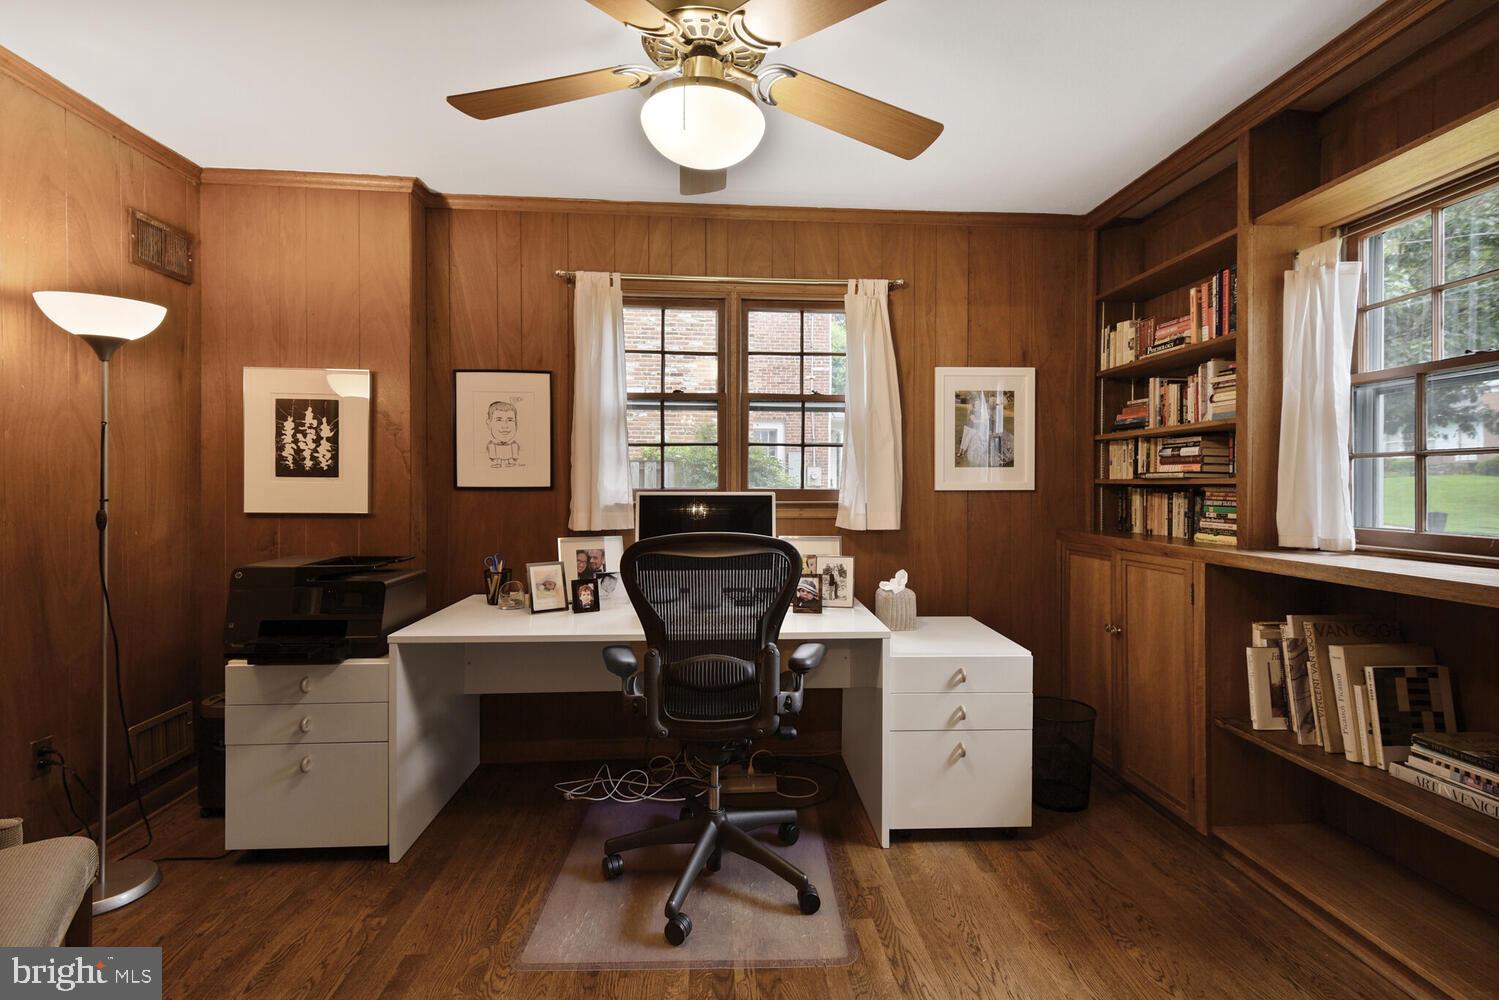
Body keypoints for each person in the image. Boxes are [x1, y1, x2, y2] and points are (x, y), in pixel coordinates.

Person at [486, 400, 520, 468]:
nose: (505, 426)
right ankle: (498, 463)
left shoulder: (514, 444)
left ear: (516, 424)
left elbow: (515, 456)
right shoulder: (491, 445)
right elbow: (492, 456)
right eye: (499, 420)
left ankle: (509, 463)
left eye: (510, 420)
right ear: (489, 424)